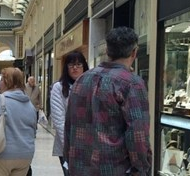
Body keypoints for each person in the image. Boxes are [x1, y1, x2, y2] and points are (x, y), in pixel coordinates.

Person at [64, 27, 152, 176]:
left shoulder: (81, 80)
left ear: (107, 50)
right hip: (114, 169)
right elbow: (138, 134)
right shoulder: (131, 83)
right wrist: (141, 169)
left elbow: (69, 126)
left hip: (79, 168)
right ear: (134, 52)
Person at [0, 67, 36, 176]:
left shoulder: (1, 100)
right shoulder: (30, 105)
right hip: (25, 156)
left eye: (1, 80)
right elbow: (33, 131)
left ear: (9, 82)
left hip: (2, 154)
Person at [50, 51, 89, 176]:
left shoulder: (91, 85)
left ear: (84, 67)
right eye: (71, 65)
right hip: (67, 145)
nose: (75, 68)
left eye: (78, 64)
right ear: (66, 68)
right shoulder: (59, 88)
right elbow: (59, 120)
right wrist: (71, 145)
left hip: (89, 144)